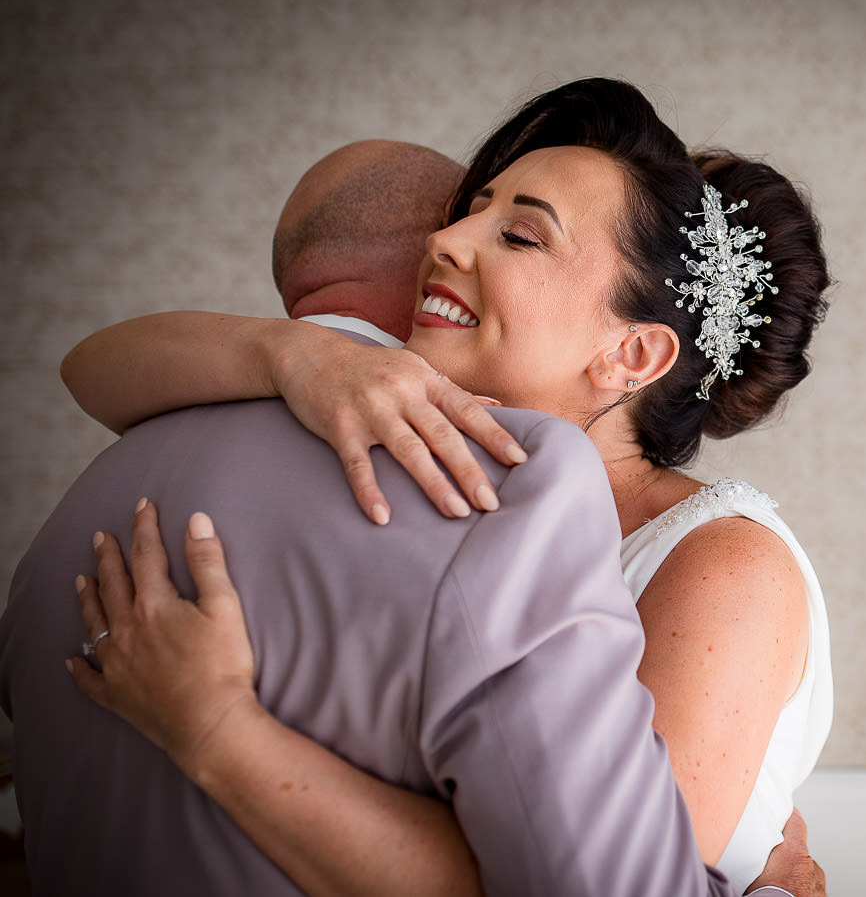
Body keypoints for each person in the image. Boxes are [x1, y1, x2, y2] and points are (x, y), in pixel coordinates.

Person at [0, 115, 821, 896]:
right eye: (470, 211)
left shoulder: (718, 566)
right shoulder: (406, 471)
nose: (443, 240)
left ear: (633, 352)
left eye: (519, 233)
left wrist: (218, 731)